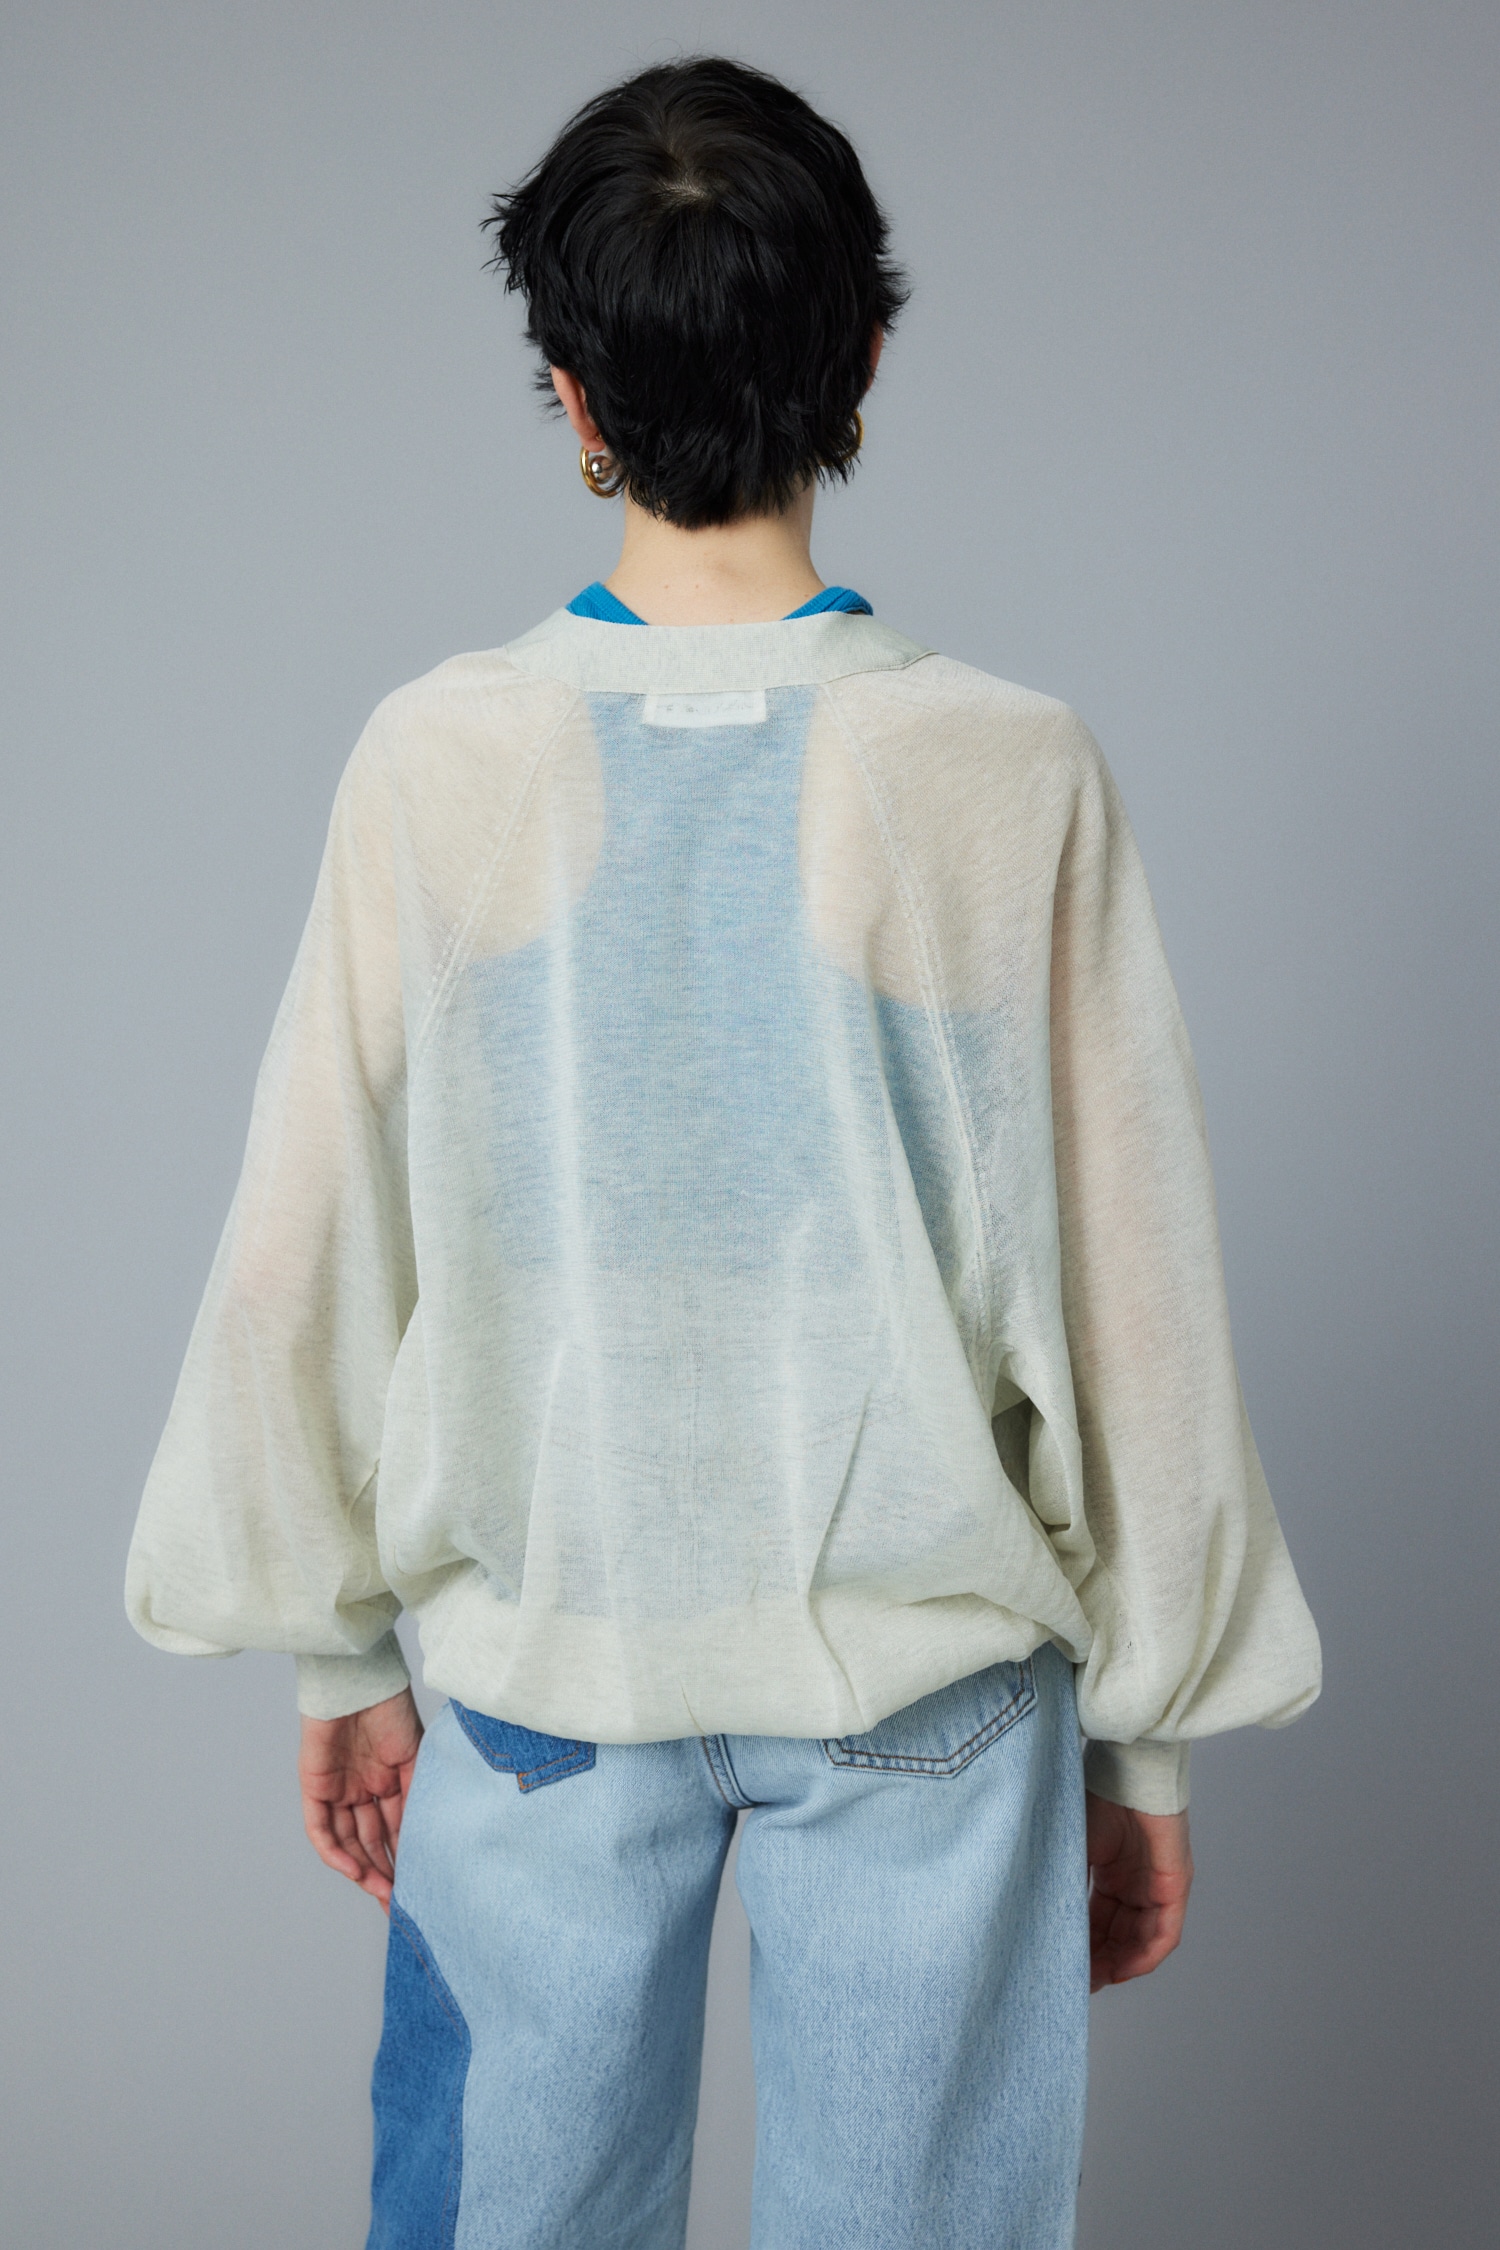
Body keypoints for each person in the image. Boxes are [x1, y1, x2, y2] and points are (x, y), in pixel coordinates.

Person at [125, 54, 1321, 2250]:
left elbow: (307, 1240)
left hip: (546, 1657)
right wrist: (1146, 1741)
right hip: (929, 1680)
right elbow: (1131, 1290)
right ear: (860, 357)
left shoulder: (438, 762)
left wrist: (336, 1652)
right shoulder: (1006, 771)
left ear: (571, 389)